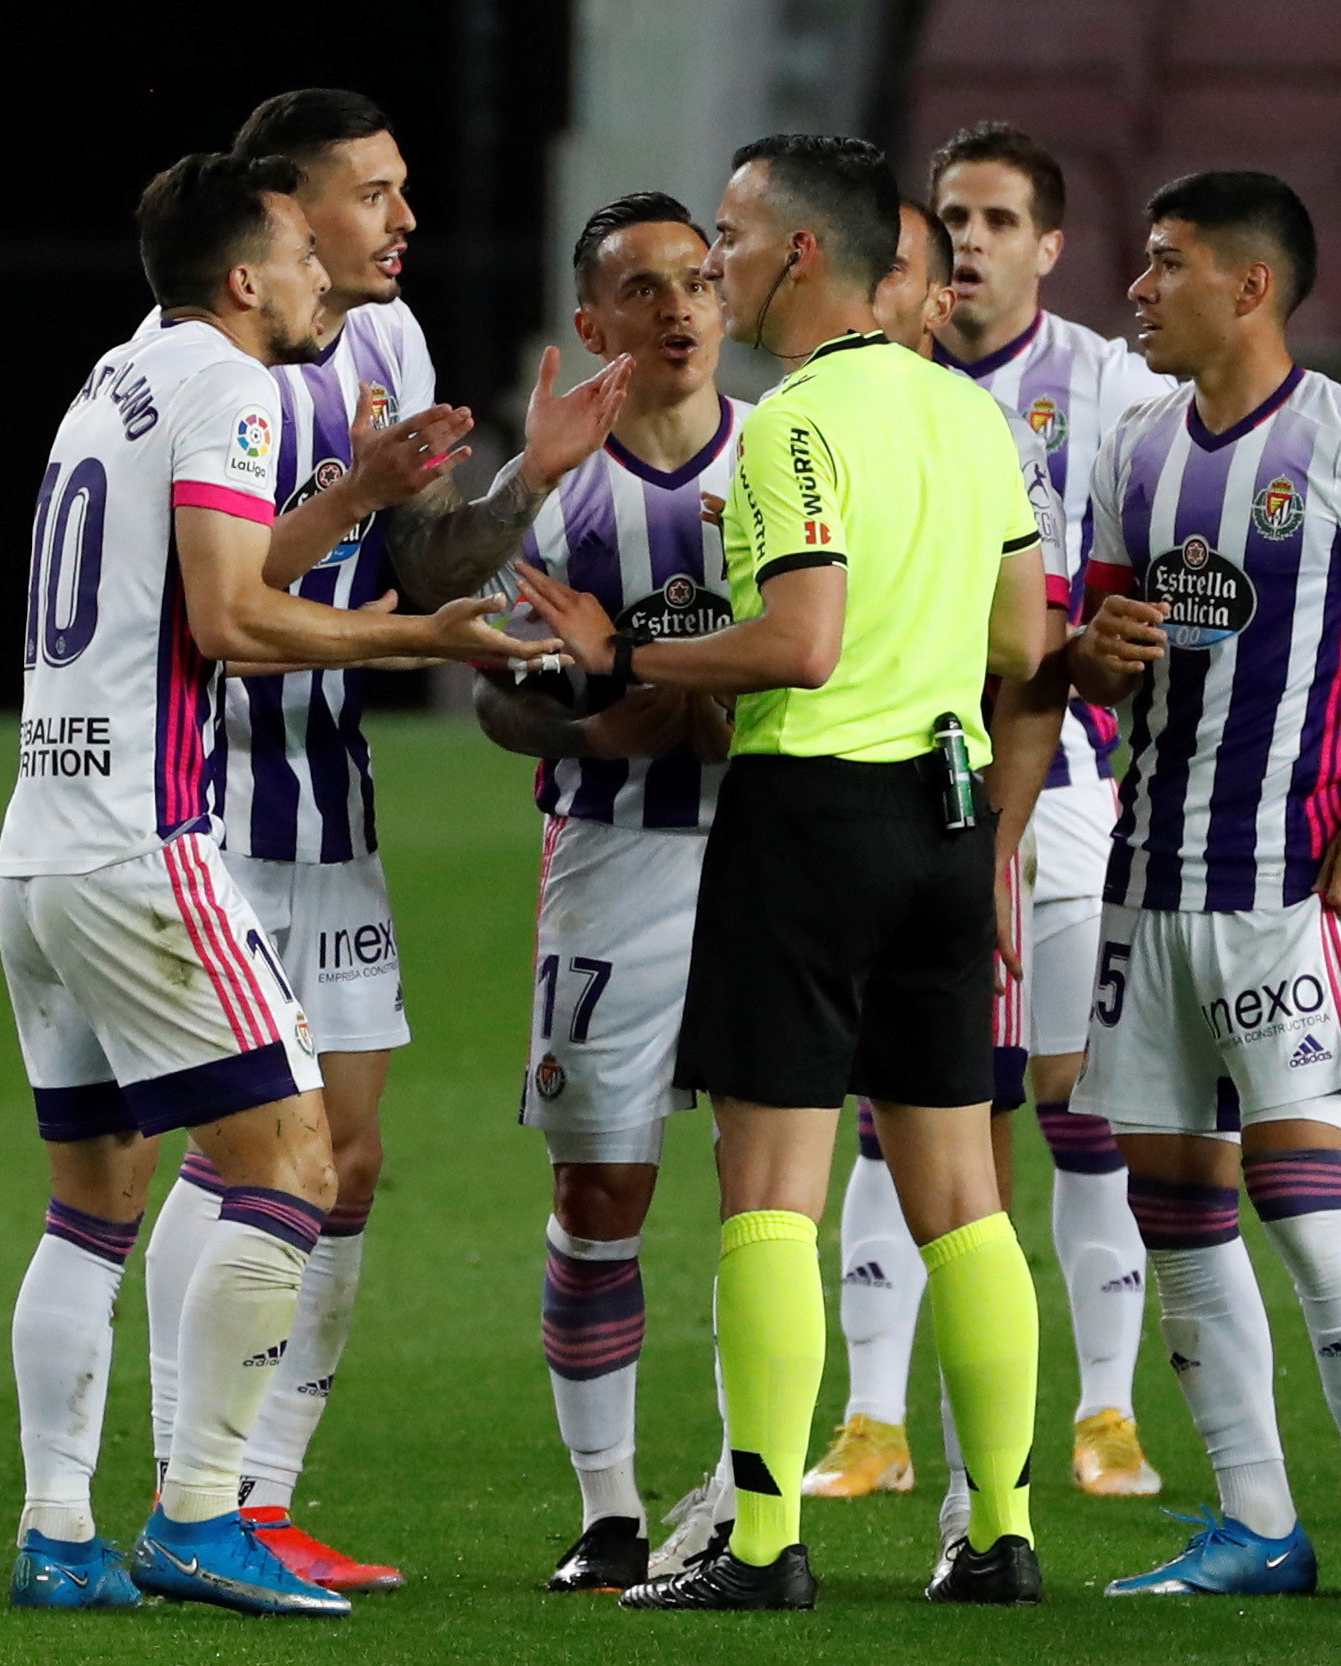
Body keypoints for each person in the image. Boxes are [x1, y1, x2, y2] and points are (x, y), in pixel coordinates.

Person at [0, 151, 552, 1617]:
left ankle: (59, 1532)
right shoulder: (233, 388)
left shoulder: (113, 378)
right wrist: (428, 638)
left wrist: (366, 513)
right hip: (144, 840)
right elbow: (236, 622)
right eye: (305, 255)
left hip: (37, 841)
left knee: (91, 1208)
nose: (326, 279)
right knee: (294, 1162)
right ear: (247, 276)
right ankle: (199, 1512)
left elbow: (197, 589)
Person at [517, 133, 1051, 1612]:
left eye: (736, 238)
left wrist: (621, 651)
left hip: (813, 817)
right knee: (963, 1197)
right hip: (949, 827)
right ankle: (999, 1532)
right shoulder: (969, 415)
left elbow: (800, 643)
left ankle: (760, 1544)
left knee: (770, 1193)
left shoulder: (793, 431)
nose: (720, 265)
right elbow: (1019, 642)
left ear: (802, 255)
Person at [137, 88, 631, 1596]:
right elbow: (223, 605)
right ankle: (192, 1483)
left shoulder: (388, 345)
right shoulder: (216, 360)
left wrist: (525, 482)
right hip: (205, 799)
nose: (405, 216)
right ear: (284, 214)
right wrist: (385, 549)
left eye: (408, 185)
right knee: (240, 1155)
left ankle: (264, 1498)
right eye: (373, 191)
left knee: (343, 1162)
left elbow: (417, 560)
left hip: (329, 804)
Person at [1066, 171, 1341, 1602]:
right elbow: (1089, 642)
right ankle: (1256, 1520)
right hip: (1146, 881)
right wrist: (1094, 654)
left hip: (1286, 885)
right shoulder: (1136, 444)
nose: (1137, 290)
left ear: (1250, 287)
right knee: (1173, 1202)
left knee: (1304, 1192)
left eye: (1165, 264)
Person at [811, 121, 1178, 1504]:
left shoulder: (1117, 390)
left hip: (1068, 786)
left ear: (1050, 246)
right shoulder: (875, 385)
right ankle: (872, 1418)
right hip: (897, 772)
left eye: (998, 221)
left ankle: (1102, 1412)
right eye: (951, 218)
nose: (968, 243)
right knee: (894, 1095)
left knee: (1078, 1098)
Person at [469, 190, 749, 1593]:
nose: (681, 308)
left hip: (773, 867)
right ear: (593, 324)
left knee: (772, 1191)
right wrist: (584, 726)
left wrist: (667, 690)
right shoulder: (564, 489)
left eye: (699, 280)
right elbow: (498, 699)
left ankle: (747, 1496)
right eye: (645, 290)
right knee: (601, 1184)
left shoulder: (783, 462)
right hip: (613, 862)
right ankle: (610, 1506)